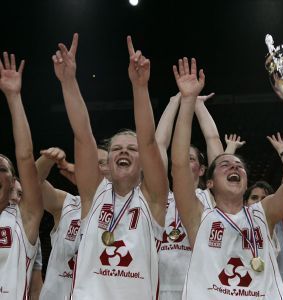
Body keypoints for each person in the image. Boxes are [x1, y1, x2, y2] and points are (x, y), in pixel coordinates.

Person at [171, 57, 283, 299]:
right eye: (224, 164)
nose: (233, 166)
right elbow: (179, 164)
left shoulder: (263, 213)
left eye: (239, 166)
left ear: (246, 182)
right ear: (210, 183)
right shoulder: (198, 216)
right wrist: (187, 101)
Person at [53, 33, 168, 299]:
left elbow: (149, 141)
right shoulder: (93, 194)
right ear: (107, 160)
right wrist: (68, 82)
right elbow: (83, 135)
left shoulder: (154, 199)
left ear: (142, 163)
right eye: (116, 148)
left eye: (131, 148)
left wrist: (140, 88)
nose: (123, 151)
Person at [156, 90, 222, 299]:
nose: (183, 161)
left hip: (198, 288)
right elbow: (158, 144)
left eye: (191, 159)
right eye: (181, 157)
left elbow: (213, 140)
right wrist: (174, 101)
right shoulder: (158, 196)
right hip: (158, 288)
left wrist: (198, 105)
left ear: (202, 170)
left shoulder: (209, 197)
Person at [36, 146, 108, 300]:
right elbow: (33, 184)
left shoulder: (127, 212)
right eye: (90, 163)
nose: (94, 168)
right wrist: (48, 159)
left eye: (101, 163)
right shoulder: (67, 205)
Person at [0, 52, 43, 298]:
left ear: (13, 180)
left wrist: (13, 97)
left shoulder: (23, 218)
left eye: (3, 169)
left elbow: (25, 157)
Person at [9, 179, 44, 300]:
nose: (15, 198)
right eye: (9, 191)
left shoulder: (30, 233)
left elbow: (36, 288)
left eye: (20, 194)